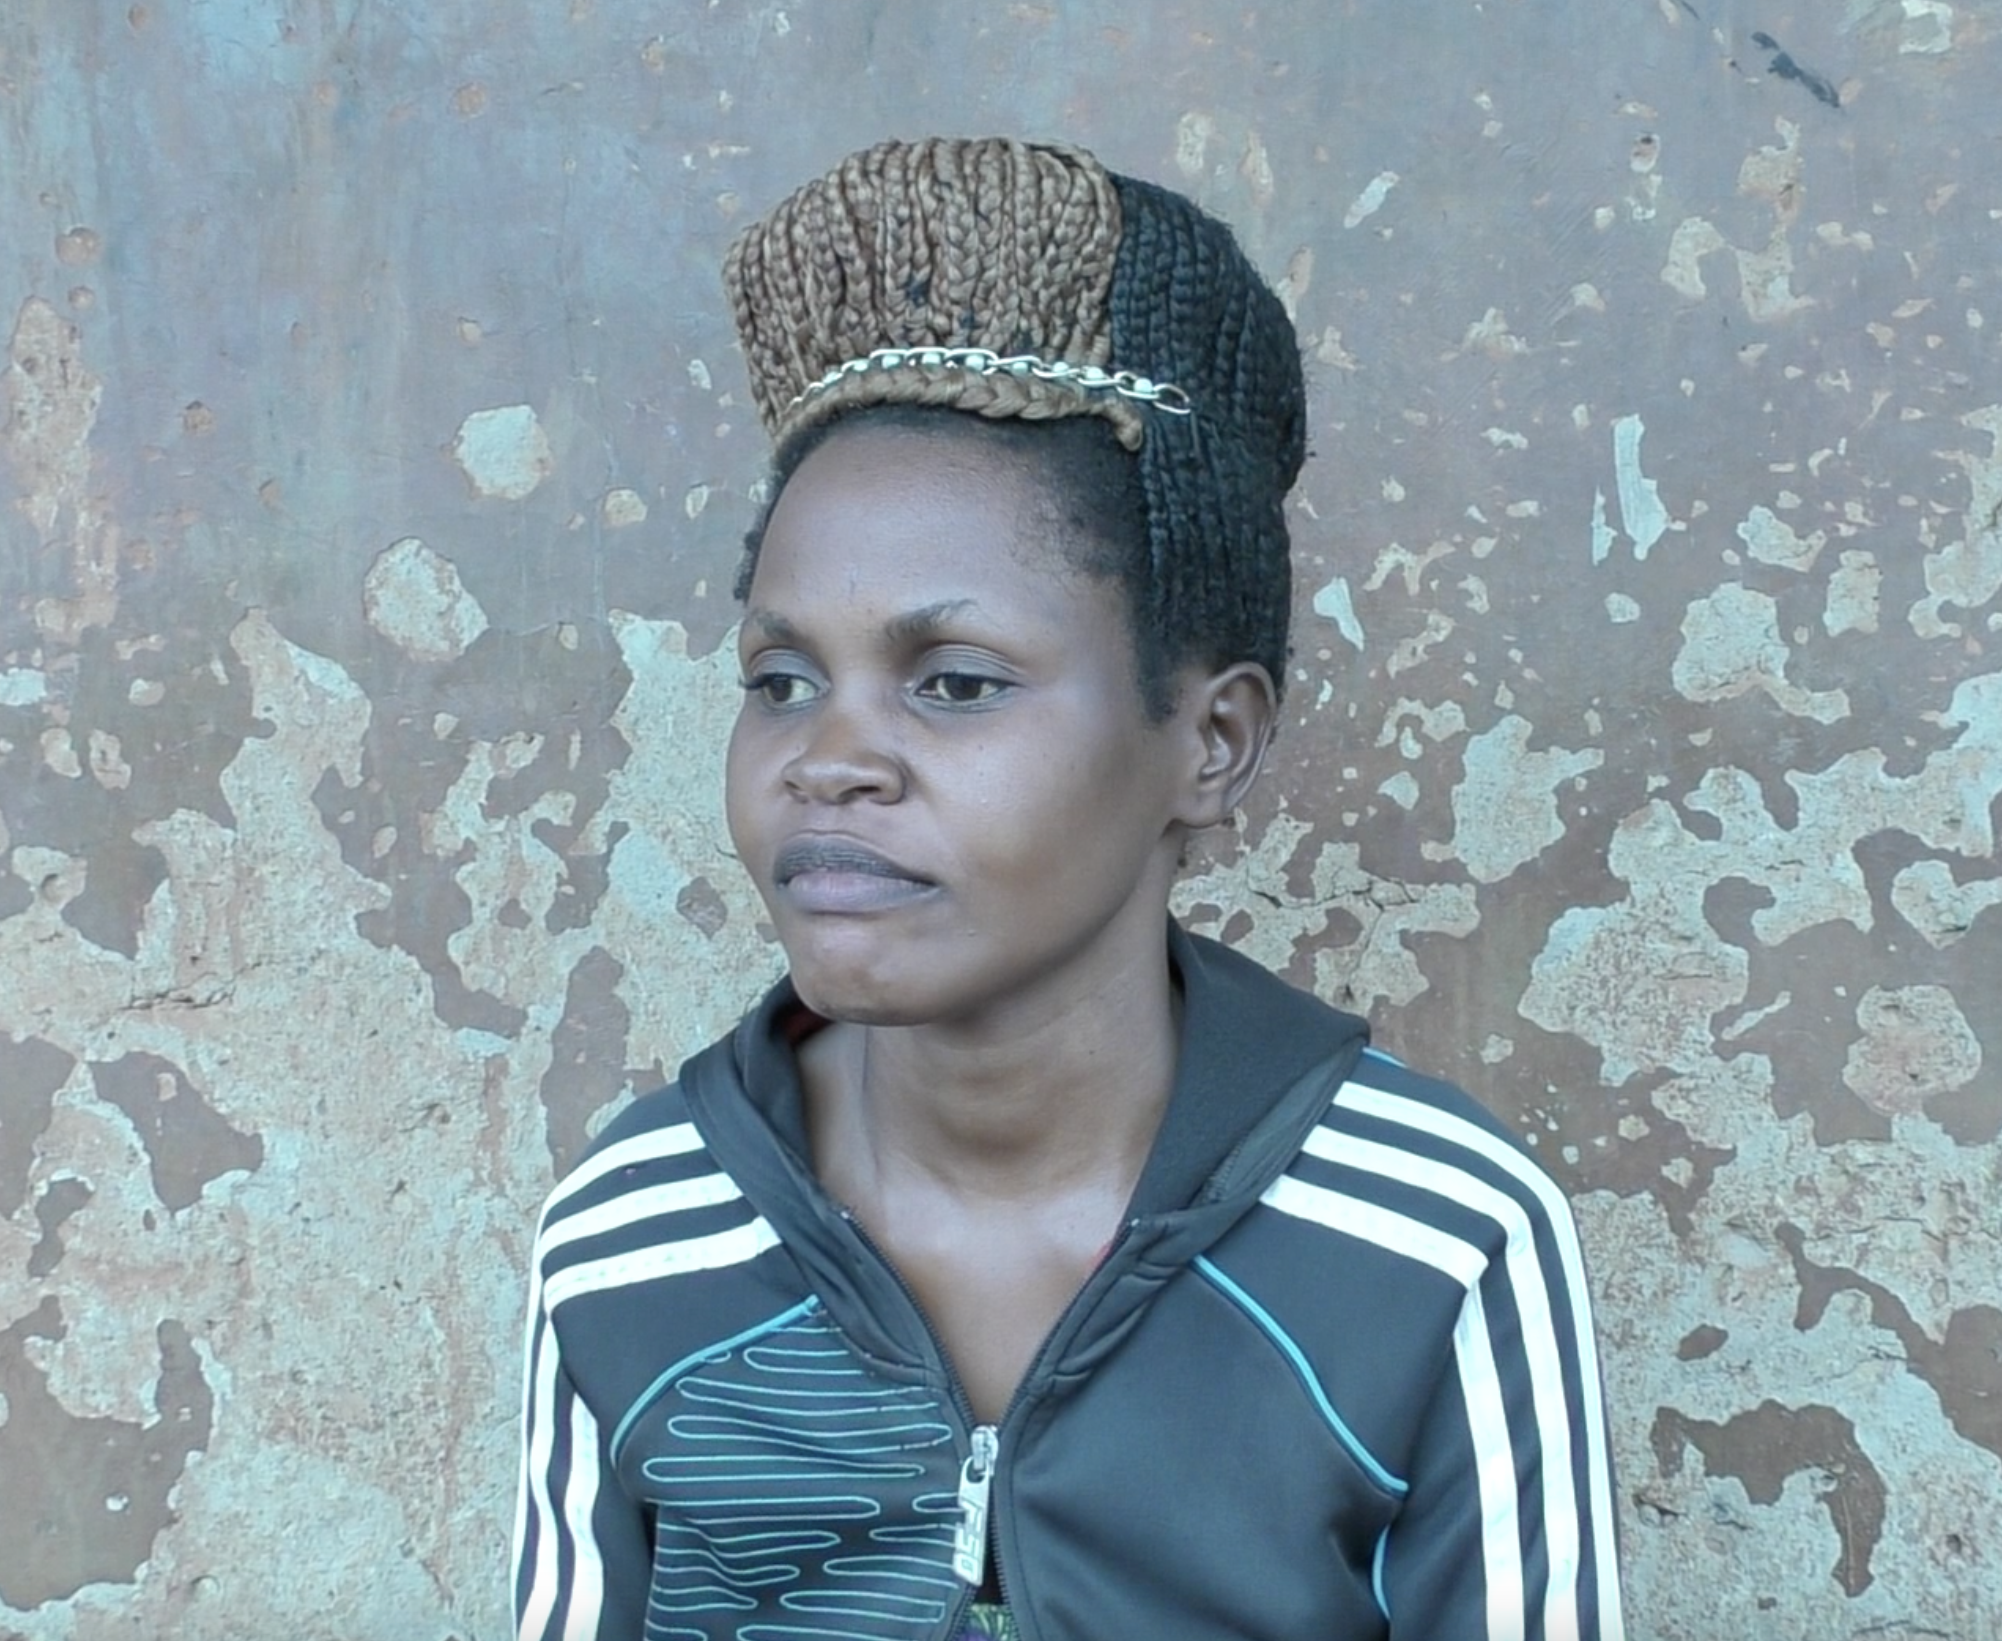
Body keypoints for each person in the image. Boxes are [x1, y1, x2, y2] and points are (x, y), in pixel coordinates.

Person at [512, 136, 1625, 1641]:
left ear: (1209, 744)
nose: (830, 760)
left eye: (955, 684)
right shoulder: (642, 1234)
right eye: (780, 681)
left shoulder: (1427, 1237)